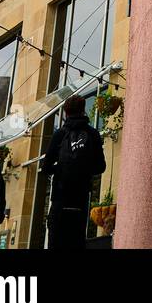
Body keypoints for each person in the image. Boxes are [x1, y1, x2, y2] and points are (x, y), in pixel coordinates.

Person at [41, 95, 107, 250]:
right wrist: (84, 169)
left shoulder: (60, 134)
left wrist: (61, 169)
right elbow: (101, 167)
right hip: (80, 202)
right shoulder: (92, 134)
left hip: (60, 201)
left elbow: (45, 168)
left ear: (66, 113)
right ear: (83, 110)